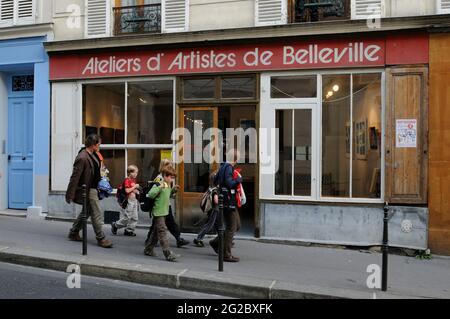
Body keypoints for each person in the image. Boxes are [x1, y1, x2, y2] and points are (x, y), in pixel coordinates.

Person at [66, 134, 113, 248]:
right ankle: (101, 238)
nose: (99, 146)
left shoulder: (94, 154)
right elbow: (75, 177)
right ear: (93, 145)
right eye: (98, 144)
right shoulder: (82, 157)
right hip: (88, 189)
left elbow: (97, 168)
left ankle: (73, 232)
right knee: (96, 213)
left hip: (95, 187)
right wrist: (70, 194)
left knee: (86, 212)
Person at [145, 159, 189, 248]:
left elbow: (166, 193)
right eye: (167, 164)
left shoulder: (168, 178)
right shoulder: (160, 178)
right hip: (160, 205)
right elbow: (153, 193)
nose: (170, 166)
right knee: (163, 224)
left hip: (165, 204)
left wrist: (173, 191)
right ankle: (171, 244)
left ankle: (150, 242)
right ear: (162, 166)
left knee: (163, 223)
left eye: (170, 164)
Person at [209, 149, 242, 262]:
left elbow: (216, 180)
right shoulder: (228, 167)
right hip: (228, 201)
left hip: (226, 201)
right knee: (231, 227)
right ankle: (226, 254)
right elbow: (230, 183)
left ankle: (215, 242)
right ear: (235, 159)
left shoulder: (222, 166)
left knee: (237, 225)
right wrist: (238, 180)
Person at [144, 166, 180, 262]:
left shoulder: (168, 185)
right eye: (171, 177)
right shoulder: (160, 184)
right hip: (158, 212)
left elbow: (167, 195)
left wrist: (173, 190)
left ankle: (148, 249)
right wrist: (160, 187)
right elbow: (150, 194)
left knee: (156, 233)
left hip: (164, 212)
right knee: (163, 232)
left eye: (173, 177)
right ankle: (168, 254)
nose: (172, 179)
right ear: (165, 176)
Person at [111, 165, 141, 237]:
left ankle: (129, 230)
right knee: (127, 217)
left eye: (137, 173)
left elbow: (132, 190)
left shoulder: (133, 180)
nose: (136, 174)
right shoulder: (127, 180)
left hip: (134, 200)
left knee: (135, 217)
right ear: (130, 173)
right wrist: (135, 187)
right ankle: (115, 225)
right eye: (135, 173)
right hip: (129, 201)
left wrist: (136, 191)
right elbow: (127, 190)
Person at [193, 172, 220, 247]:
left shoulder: (210, 188)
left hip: (213, 210)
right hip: (214, 210)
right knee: (209, 225)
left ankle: (222, 238)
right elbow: (216, 201)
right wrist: (221, 199)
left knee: (218, 225)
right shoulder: (215, 190)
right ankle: (199, 239)